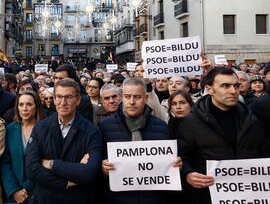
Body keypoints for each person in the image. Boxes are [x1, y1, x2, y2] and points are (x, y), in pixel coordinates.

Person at [178, 67, 268, 204]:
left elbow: (263, 151)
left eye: (236, 86)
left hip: (250, 196)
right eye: (225, 86)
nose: (233, 91)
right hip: (208, 196)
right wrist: (188, 173)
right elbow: (182, 157)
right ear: (210, 89)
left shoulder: (252, 119)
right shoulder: (191, 122)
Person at [99, 78, 182, 204]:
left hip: (154, 197)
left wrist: (176, 164)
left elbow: (169, 159)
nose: (131, 102)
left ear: (146, 98)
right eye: (127, 97)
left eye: (137, 97)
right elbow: (97, 157)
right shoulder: (104, 126)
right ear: (122, 97)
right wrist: (102, 164)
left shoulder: (161, 126)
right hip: (118, 197)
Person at [26, 78, 103, 204]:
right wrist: (66, 182)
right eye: (59, 97)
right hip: (45, 198)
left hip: (77, 198)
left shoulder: (92, 131)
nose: (63, 102)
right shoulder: (41, 127)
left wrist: (51, 164)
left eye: (68, 97)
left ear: (78, 100)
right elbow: (32, 169)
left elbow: (89, 172)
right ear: (54, 99)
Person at [0, 91, 45, 203]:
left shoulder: (45, 129)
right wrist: (14, 190)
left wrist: (26, 188)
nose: (24, 108)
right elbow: (4, 162)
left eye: (29, 104)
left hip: (37, 192)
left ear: (37, 107)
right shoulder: (10, 128)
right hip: (13, 194)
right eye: (21, 104)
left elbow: (45, 163)